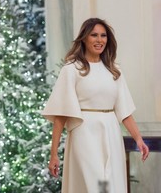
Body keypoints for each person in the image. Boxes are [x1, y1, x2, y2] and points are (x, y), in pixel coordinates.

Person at [41, 18, 149, 193]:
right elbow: (61, 114)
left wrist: (138, 139)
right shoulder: (72, 69)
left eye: (103, 36)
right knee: (95, 183)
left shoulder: (114, 71)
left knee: (108, 184)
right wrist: (54, 154)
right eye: (94, 35)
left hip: (111, 133)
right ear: (84, 38)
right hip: (84, 133)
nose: (100, 40)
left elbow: (125, 111)